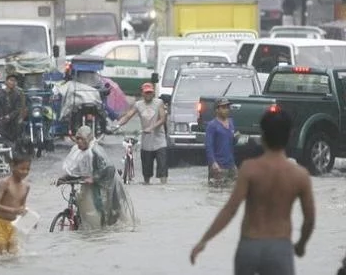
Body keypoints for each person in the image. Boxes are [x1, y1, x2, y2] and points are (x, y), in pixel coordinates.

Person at [190, 109, 316, 275]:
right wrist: (301, 245)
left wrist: (204, 240)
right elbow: (310, 219)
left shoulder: (249, 169)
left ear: (263, 136)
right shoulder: (300, 175)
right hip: (280, 248)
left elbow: (230, 209)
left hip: (249, 246)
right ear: (290, 135)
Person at [56, 126, 137, 229]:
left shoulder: (96, 151)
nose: (79, 142)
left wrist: (94, 178)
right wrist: (64, 179)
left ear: (87, 139)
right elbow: (77, 170)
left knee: (102, 212)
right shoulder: (78, 151)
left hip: (105, 185)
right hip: (89, 184)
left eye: (81, 139)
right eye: (77, 139)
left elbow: (109, 169)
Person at [116, 82, 168, 184]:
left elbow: (162, 119)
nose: (148, 95)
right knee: (146, 173)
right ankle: (147, 186)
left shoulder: (159, 103)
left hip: (160, 141)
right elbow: (128, 116)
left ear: (153, 93)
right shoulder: (138, 105)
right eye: (146, 93)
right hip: (146, 143)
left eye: (150, 93)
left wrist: (151, 128)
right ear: (142, 93)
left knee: (163, 170)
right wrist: (117, 125)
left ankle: (164, 188)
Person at [0, 154, 31, 257]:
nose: (25, 172)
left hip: (13, 225)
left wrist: (30, 220)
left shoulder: (26, 186)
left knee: (13, 252)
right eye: (22, 169)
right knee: (0, 246)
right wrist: (13, 210)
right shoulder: (5, 183)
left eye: (27, 169)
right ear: (12, 166)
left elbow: (22, 207)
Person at [0, 74, 26, 149]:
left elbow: (17, 109)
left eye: (14, 81)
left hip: (12, 124)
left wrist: (9, 116)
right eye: (11, 80)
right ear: (6, 82)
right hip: (0, 123)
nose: (13, 82)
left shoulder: (17, 95)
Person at [206, 97, 239, 187]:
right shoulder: (212, 125)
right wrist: (213, 163)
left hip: (231, 164)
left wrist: (236, 138)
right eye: (223, 107)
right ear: (217, 110)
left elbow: (232, 143)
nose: (227, 110)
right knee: (215, 194)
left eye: (228, 107)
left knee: (233, 190)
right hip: (218, 165)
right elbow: (209, 146)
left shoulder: (231, 122)